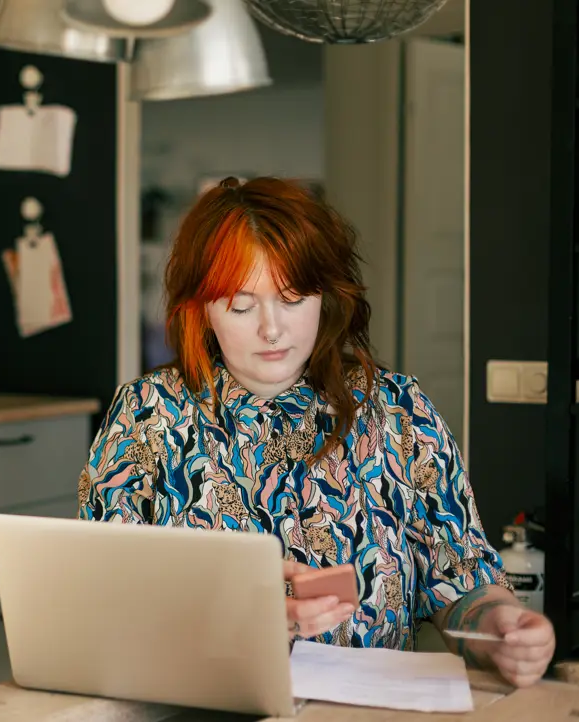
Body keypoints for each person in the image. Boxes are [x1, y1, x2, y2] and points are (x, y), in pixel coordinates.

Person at [78, 177, 555, 687]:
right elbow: (104, 601)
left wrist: (500, 625)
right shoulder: (148, 414)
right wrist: (240, 624)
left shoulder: (397, 412)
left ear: (325, 297)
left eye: (292, 299)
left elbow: (462, 582)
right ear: (201, 310)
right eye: (241, 306)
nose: (271, 329)